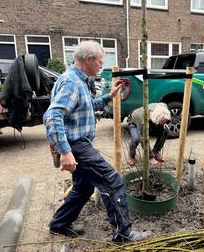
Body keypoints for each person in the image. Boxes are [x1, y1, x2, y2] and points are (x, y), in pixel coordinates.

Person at [43, 40, 149, 242]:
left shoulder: (78, 80)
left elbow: (86, 105)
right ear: (89, 59)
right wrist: (65, 152)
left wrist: (109, 96)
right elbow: (53, 116)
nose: (101, 65)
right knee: (112, 180)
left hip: (78, 143)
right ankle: (123, 233)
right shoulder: (72, 82)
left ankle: (59, 224)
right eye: (100, 61)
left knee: (83, 188)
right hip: (76, 144)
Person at [126, 103, 171, 167]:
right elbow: (144, 139)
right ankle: (131, 156)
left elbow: (166, 118)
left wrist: (165, 123)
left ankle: (156, 151)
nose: (164, 123)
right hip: (133, 122)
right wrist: (150, 157)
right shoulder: (144, 119)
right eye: (163, 122)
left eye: (165, 121)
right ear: (156, 120)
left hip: (152, 120)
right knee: (136, 138)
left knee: (166, 130)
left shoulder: (164, 109)